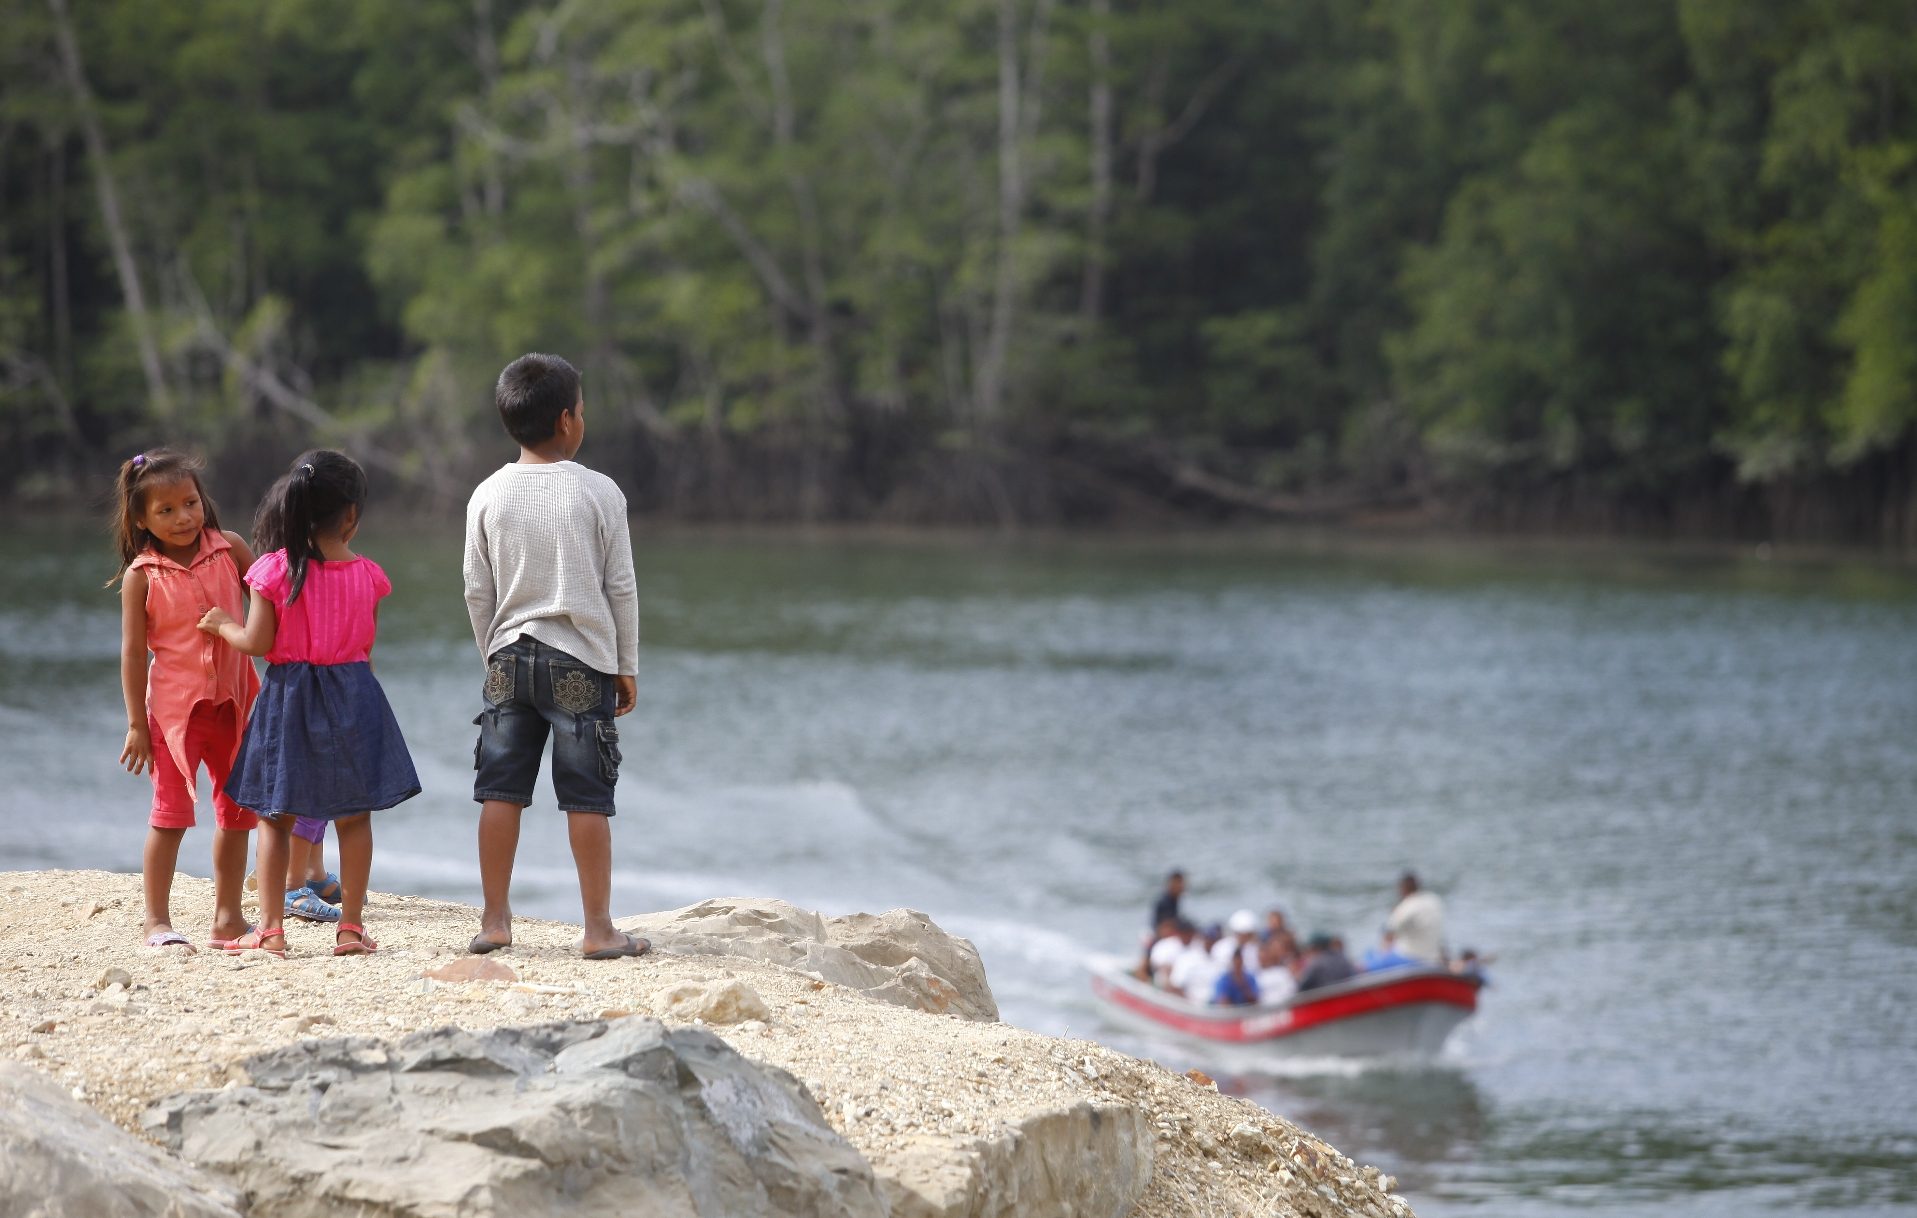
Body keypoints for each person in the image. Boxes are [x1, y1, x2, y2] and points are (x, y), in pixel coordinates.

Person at [463, 353, 647, 961]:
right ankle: (598, 929)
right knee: (586, 795)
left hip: (507, 657)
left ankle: (495, 921)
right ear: (567, 420)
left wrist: (492, 652)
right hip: (580, 660)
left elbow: (476, 590)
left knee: (500, 790)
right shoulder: (599, 491)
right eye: (582, 411)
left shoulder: (487, 493)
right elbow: (621, 586)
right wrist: (625, 664)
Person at [200, 450, 420, 957]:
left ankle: (271, 930)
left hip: (290, 698)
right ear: (351, 515)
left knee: (274, 815)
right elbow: (365, 647)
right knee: (355, 817)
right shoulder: (369, 575)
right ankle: (351, 927)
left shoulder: (273, 571)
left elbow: (257, 642)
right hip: (354, 694)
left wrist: (223, 624)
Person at [111, 449, 260, 950]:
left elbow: (270, 601)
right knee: (169, 816)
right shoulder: (141, 576)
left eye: (190, 503)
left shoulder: (230, 549)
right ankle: (156, 920)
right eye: (167, 510)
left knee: (238, 813)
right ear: (141, 519)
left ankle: (228, 919)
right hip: (174, 718)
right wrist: (137, 723)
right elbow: (134, 654)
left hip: (236, 707)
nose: (183, 517)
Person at [1385, 870, 1446, 964]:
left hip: (1409, 957)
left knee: (1370, 957)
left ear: (1403, 888)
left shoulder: (1406, 906)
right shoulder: (1433, 899)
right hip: (1433, 956)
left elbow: (1390, 932)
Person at [1255, 935, 1298, 1005]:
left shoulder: (1282, 971)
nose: (1263, 960)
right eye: (1260, 958)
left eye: (1264, 957)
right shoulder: (1256, 976)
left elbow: (1290, 990)